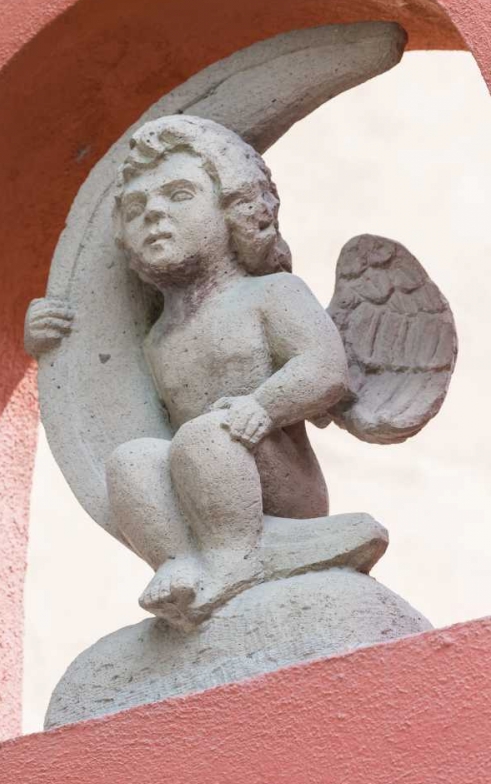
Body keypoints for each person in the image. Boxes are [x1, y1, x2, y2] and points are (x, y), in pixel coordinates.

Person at [26, 116, 349, 629]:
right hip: (202, 485)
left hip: (279, 485)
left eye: (179, 194)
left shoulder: (270, 294)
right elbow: (100, 381)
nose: (154, 212)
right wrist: (50, 337)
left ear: (234, 210)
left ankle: (234, 561)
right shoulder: (157, 337)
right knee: (133, 459)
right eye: (137, 207)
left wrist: (261, 406)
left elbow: (324, 366)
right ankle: (180, 561)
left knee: (204, 435)